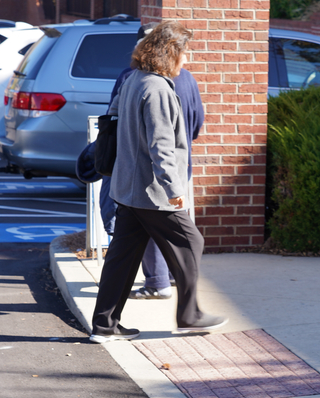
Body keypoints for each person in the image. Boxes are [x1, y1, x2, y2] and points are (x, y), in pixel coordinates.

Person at [89, 21, 227, 343]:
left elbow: (113, 122)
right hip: (151, 193)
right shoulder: (158, 89)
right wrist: (174, 190)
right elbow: (161, 147)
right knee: (191, 242)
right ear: (170, 53)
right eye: (184, 52)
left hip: (128, 189)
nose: (186, 60)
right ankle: (190, 315)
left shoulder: (133, 80)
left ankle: (105, 326)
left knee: (122, 258)